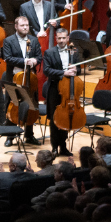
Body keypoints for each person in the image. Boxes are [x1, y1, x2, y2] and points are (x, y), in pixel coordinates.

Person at [1, 16, 42, 146]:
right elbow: (8, 58)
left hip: (30, 78)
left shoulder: (34, 40)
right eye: (22, 25)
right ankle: (10, 136)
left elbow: (39, 57)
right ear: (16, 26)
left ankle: (29, 135)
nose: (25, 27)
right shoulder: (8, 41)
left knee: (31, 104)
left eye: (27, 25)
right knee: (12, 105)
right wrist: (24, 61)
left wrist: (35, 61)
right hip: (14, 77)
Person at [43, 28, 80, 157]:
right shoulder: (49, 52)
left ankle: (63, 147)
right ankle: (54, 147)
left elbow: (79, 68)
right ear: (56, 38)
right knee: (54, 119)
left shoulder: (74, 52)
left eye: (64, 38)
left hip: (69, 89)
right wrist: (63, 73)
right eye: (59, 38)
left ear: (68, 38)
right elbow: (46, 70)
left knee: (66, 117)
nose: (61, 40)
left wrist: (76, 70)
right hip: (54, 89)